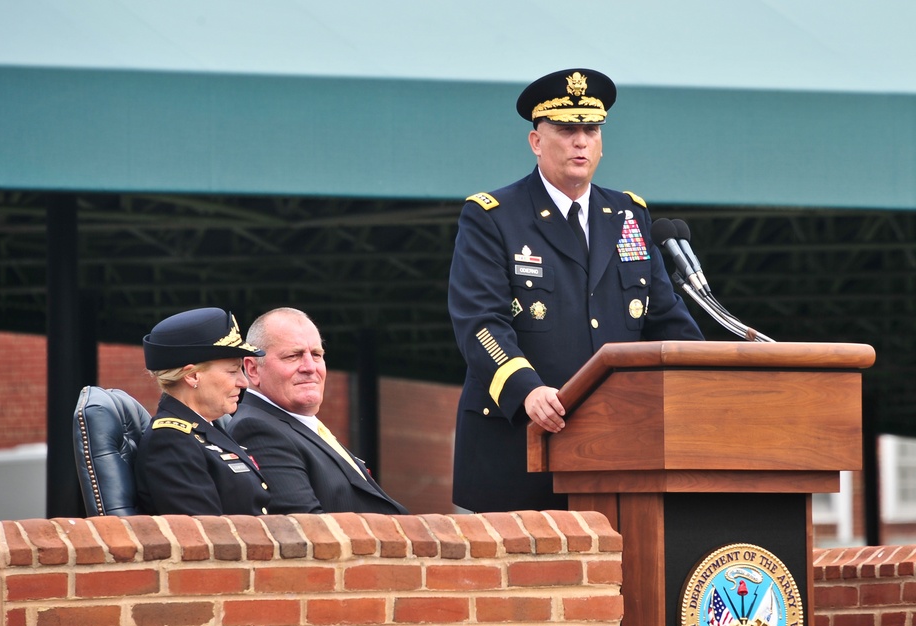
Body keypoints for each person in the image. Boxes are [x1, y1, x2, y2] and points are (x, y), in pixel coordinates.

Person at [447, 68, 704, 512]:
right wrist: (527, 389)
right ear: (536, 141)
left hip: (619, 452)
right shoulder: (493, 216)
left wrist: (708, 378)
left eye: (591, 129)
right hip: (521, 446)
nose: (580, 141)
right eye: (566, 130)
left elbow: (665, 319)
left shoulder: (627, 215)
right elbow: (481, 324)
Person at [227, 307, 408, 514]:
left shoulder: (298, 424)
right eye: (293, 356)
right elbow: (307, 531)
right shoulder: (256, 429)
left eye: (316, 354)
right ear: (252, 368)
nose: (310, 367)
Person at [135, 307, 271, 515]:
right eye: (233, 371)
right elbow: (206, 539)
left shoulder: (208, 427)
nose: (244, 382)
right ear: (192, 376)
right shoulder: (171, 441)